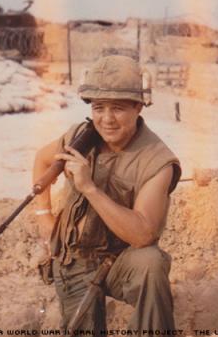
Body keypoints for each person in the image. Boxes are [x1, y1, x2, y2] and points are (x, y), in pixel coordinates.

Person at [32, 55, 181, 335]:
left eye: (119, 108)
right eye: (99, 108)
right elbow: (42, 161)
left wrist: (89, 187)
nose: (107, 119)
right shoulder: (80, 137)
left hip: (121, 262)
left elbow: (143, 235)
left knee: (151, 262)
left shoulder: (157, 160)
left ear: (139, 107)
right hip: (74, 259)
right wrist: (44, 216)